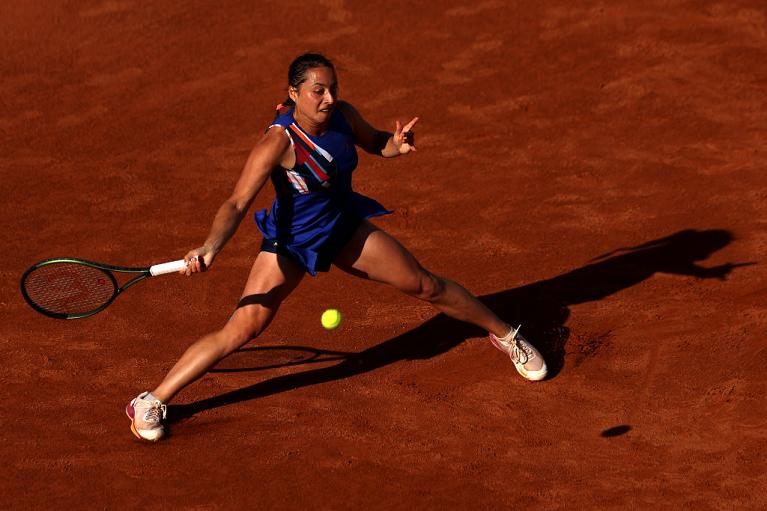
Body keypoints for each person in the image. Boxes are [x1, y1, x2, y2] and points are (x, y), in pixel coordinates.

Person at [126, 53, 547, 442]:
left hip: (344, 230)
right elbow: (236, 202)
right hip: (291, 244)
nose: (329, 98)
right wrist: (210, 247)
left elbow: (376, 141)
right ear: (294, 94)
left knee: (425, 285)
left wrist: (395, 146)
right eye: (318, 91)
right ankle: (151, 400)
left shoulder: (343, 116)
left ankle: (506, 335)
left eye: (332, 89)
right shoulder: (278, 143)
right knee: (242, 329)